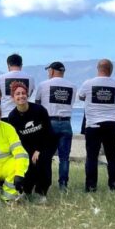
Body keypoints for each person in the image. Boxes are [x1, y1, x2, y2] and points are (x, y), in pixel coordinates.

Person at [6, 81, 56, 203]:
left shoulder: (39, 110)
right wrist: (27, 153)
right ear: (13, 98)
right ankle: (26, 191)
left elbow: (48, 133)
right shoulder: (13, 117)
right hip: (27, 147)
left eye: (23, 93)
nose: (21, 96)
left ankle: (41, 192)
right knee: (26, 165)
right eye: (17, 94)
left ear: (27, 95)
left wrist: (39, 150)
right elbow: (17, 140)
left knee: (42, 161)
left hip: (46, 143)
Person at [78, 59, 115, 192]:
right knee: (112, 157)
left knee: (92, 157)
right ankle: (113, 185)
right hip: (111, 123)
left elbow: (81, 96)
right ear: (111, 70)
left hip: (93, 124)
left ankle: (91, 186)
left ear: (98, 68)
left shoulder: (88, 83)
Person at [35, 61, 76, 190]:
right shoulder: (72, 86)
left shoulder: (43, 85)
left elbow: (38, 104)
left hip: (49, 123)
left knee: (46, 156)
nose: (48, 73)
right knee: (64, 158)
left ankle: (45, 183)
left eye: (48, 71)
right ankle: (63, 185)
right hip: (66, 123)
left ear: (52, 71)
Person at [0, 53, 35, 119]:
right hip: (24, 114)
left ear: (8, 65)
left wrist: (7, 99)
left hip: (6, 114)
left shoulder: (1, 77)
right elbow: (28, 95)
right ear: (21, 65)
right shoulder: (30, 78)